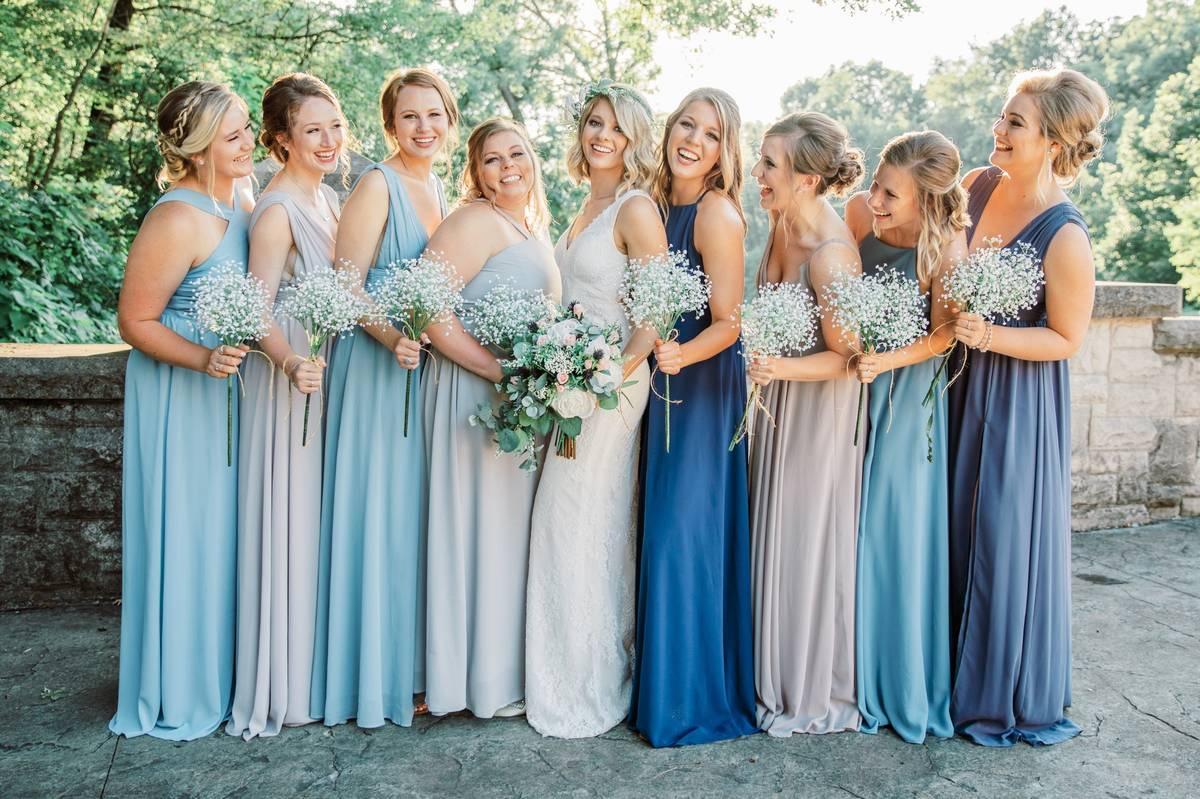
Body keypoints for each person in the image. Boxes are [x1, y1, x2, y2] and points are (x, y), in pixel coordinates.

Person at [947, 67, 1109, 747]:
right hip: (955, 384)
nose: (1000, 129)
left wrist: (992, 335)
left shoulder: (1065, 235)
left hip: (1017, 400)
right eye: (1002, 116)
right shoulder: (976, 188)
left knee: (1000, 539)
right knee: (950, 527)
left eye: (1016, 122)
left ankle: (998, 691)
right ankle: (938, 675)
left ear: (1052, 142)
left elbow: (1066, 338)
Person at [310, 67, 457, 729]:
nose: (423, 127)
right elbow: (346, 286)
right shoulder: (378, 183)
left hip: (421, 370)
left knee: (413, 518)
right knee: (379, 513)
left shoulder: (440, 186)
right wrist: (393, 334)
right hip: (375, 371)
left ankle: (409, 667)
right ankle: (367, 678)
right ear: (390, 125)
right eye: (410, 117)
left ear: (449, 121)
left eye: (434, 115)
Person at [110, 80, 255, 740]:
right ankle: (177, 684)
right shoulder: (176, 217)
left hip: (227, 391)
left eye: (248, 127)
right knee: (185, 532)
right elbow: (134, 319)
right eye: (233, 135)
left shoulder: (245, 201)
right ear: (195, 150)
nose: (248, 141)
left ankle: (223, 674)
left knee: (224, 536)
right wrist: (202, 360)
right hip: (178, 393)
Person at [525, 81, 665, 739]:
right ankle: (563, 668)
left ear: (635, 138)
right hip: (572, 378)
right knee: (569, 521)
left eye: (614, 126)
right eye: (592, 123)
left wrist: (609, 372)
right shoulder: (587, 206)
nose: (600, 135)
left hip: (613, 384)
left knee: (579, 517)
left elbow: (656, 312)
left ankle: (591, 679)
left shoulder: (636, 208)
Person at [629, 88, 758, 747]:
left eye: (710, 134)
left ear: (722, 151)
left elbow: (731, 321)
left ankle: (691, 699)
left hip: (702, 389)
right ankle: (659, 692)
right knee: (657, 532)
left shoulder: (716, 214)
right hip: (658, 382)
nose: (693, 140)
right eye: (687, 124)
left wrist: (681, 352)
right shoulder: (653, 203)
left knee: (684, 535)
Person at [422, 117, 562, 719]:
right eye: (491, 160)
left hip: (515, 401)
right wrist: (499, 372)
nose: (508, 168)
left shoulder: (526, 225)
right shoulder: (474, 221)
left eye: (517, 154)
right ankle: (463, 678)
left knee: (504, 535)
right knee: (472, 529)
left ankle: (498, 671)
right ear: (474, 173)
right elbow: (426, 312)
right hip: (470, 395)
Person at [744, 111, 864, 737]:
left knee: (801, 540)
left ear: (810, 178)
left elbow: (849, 360)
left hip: (816, 416)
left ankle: (805, 684)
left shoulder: (832, 255)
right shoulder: (779, 226)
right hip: (773, 407)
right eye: (760, 160)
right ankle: (765, 671)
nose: (756, 173)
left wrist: (778, 370)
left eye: (770, 164)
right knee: (770, 532)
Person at [846, 130, 968, 744]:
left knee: (888, 532)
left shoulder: (946, 247)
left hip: (905, 397)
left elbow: (946, 335)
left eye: (891, 194)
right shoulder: (855, 217)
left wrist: (885, 362)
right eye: (876, 185)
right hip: (849, 387)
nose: (876, 200)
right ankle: (841, 675)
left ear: (926, 201)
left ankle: (894, 677)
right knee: (845, 525)